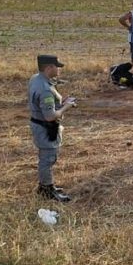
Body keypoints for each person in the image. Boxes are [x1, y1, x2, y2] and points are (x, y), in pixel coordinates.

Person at [29, 55, 77, 202]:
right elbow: (50, 116)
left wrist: (61, 102)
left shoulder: (36, 79)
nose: (59, 69)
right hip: (46, 128)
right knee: (47, 160)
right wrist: (66, 107)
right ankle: (47, 190)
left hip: (39, 124)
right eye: (57, 66)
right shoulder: (45, 90)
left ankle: (46, 186)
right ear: (49, 67)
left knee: (46, 158)